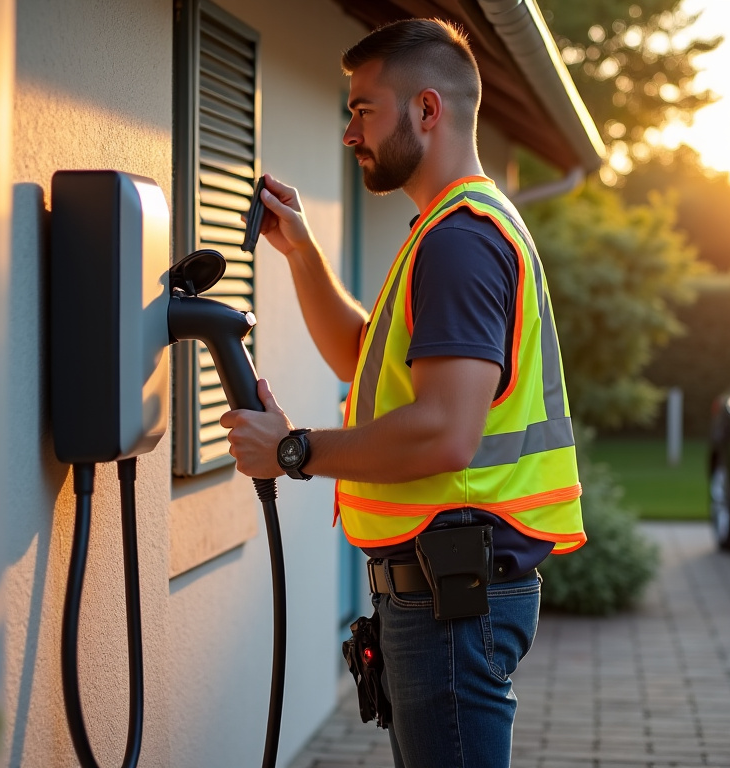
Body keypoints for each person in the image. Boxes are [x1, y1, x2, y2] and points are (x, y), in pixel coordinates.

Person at [219, 17, 585, 768]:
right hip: (442, 591)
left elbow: (444, 430)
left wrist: (294, 451)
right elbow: (365, 358)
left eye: (363, 109)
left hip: (451, 599)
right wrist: (305, 257)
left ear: (427, 110)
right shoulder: (444, 230)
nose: (350, 133)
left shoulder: (461, 241)